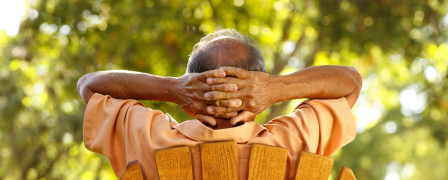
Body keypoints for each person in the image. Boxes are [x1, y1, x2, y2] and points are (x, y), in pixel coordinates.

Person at [77, 29, 362, 179]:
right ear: (256, 87)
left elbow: (89, 85)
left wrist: (173, 88)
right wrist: (276, 88)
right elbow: (350, 83)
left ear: (192, 87)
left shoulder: (151, 139)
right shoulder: (295, 140)